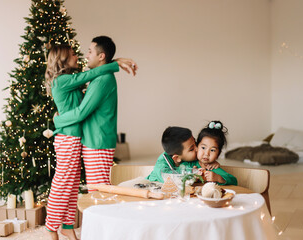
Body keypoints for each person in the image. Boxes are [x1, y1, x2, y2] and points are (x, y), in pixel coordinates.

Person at [44, 44, 137, 240]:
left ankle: (68, 227)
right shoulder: (62, 80)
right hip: (67, 138)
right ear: (62, 59)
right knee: (62, 183)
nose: (77, 56)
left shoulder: (70, 80)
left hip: (74, 138)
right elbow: (88, 79)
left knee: (72, 184)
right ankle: (50, 227)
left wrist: (113, 62)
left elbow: (90, 75)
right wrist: (115, 63)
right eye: (72, 54)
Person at [53, 36, 136, 191]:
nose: (86, 55)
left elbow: (81, 113)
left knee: (99, 193)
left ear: (101, 56)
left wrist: (57, 121)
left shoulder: (102, 80)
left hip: (97, 144)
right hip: (94, 142)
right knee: (97, 192)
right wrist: (115, 62)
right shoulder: (98, 77)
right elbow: (88, 76)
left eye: (90, 51)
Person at [146, 126, 219, 183]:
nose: (197, 149)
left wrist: (211, 162)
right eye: (191, 149)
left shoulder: (190, 157)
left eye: (195, 143)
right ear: (177, 158)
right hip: (154, 188)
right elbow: (168, 177)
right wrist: (191, 172)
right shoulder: (162, 163)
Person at [194, 120, 237, 185]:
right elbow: (177, 172)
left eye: (212, 150)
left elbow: (234, 182)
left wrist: (219, 178)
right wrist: (192, 173)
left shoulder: (215, 169)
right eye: (203, 148)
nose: (206, 154)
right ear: (196, 147)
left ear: (218, 154)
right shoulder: (190, 164)